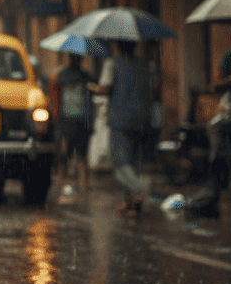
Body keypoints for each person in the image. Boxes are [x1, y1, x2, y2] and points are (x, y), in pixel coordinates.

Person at [89, 39, 154, 216]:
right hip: (141, 118)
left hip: (121, 118)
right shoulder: (145, 65)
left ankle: (139, 190)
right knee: (134, 162)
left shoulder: (114, 63)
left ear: (119, 46)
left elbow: (107, 89)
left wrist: (93, 87)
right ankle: (131, 203)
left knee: (119, 162)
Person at [189, 43, 231, 216]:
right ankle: (212, 196)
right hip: (228, 118)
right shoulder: (229, 56)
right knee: (221, 157)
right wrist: (230, 81)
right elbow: (217, 84)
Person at [50, 53, 93, 191]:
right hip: (81, 121)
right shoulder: (86, 77)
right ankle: (83, 183)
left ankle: (61, 182)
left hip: (67, 121)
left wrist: (57, 119)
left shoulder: (61, 76)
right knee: (82, 154)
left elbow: (55, 99)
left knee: (66, 154)